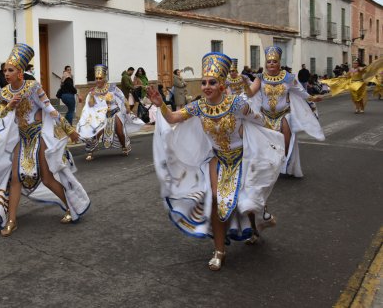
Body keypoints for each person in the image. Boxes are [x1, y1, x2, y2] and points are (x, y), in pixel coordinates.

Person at [148, 52, 285, 271]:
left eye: (212, 82)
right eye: (203, 83)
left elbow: (259, 121)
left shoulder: (237, 105)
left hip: (243, 158)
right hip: (218, 159)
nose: (206, 86)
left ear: (222, 85)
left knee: (247, 203)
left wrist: (273, 140)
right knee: (215, 199)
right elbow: (173, 118)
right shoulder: (199, 107)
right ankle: (219, 250)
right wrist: (160, 104)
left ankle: (257, 222)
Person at [0, 43, 90, 237]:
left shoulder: (33, 87)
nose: (7, 73)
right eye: (5, 70)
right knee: (16, 178)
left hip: (38, 136)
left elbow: (49, 109)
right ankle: (11, 220)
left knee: (46, 178)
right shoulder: (4, 93)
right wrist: (8, 106)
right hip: (20, 137)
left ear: (20, 72)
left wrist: (69, 129)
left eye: (11, 70)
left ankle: (71, 206)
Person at [247, 46, 324, 177]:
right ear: (266, 64)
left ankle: (283, 164)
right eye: (269, 62)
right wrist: (243, 85)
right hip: (265, 115)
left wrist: (312, 98)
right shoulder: (260, 77)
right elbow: (250, 93)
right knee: (267, 143)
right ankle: (268, 164)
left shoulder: (288, 78)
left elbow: (300, 91)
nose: (271, 64)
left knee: (285, 138)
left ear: (279, 63)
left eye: (274, 61)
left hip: (284, 114)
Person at [77, 64, 144, 161]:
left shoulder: (112, 88)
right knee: (96, 132)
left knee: (120, 131)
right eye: (97, 78)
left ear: (104, 78)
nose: (98, 80)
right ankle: (90, 151)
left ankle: (124, 146)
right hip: (101, 115)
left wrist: (128, 107)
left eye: (100, 78)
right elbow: (91, 105)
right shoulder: (93, 91)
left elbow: (122, 97)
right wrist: (91, 96)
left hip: (115, 111)